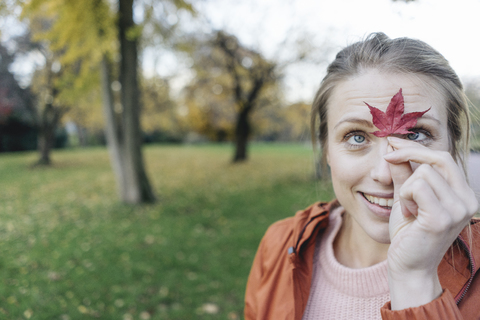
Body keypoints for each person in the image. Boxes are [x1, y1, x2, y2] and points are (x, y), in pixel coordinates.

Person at [244, 32, 480, 320]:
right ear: (327, 150)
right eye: (356, 137)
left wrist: (415, 280)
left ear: (453, 147)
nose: (384, 174)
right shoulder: (280, 245)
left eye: (415, 135)